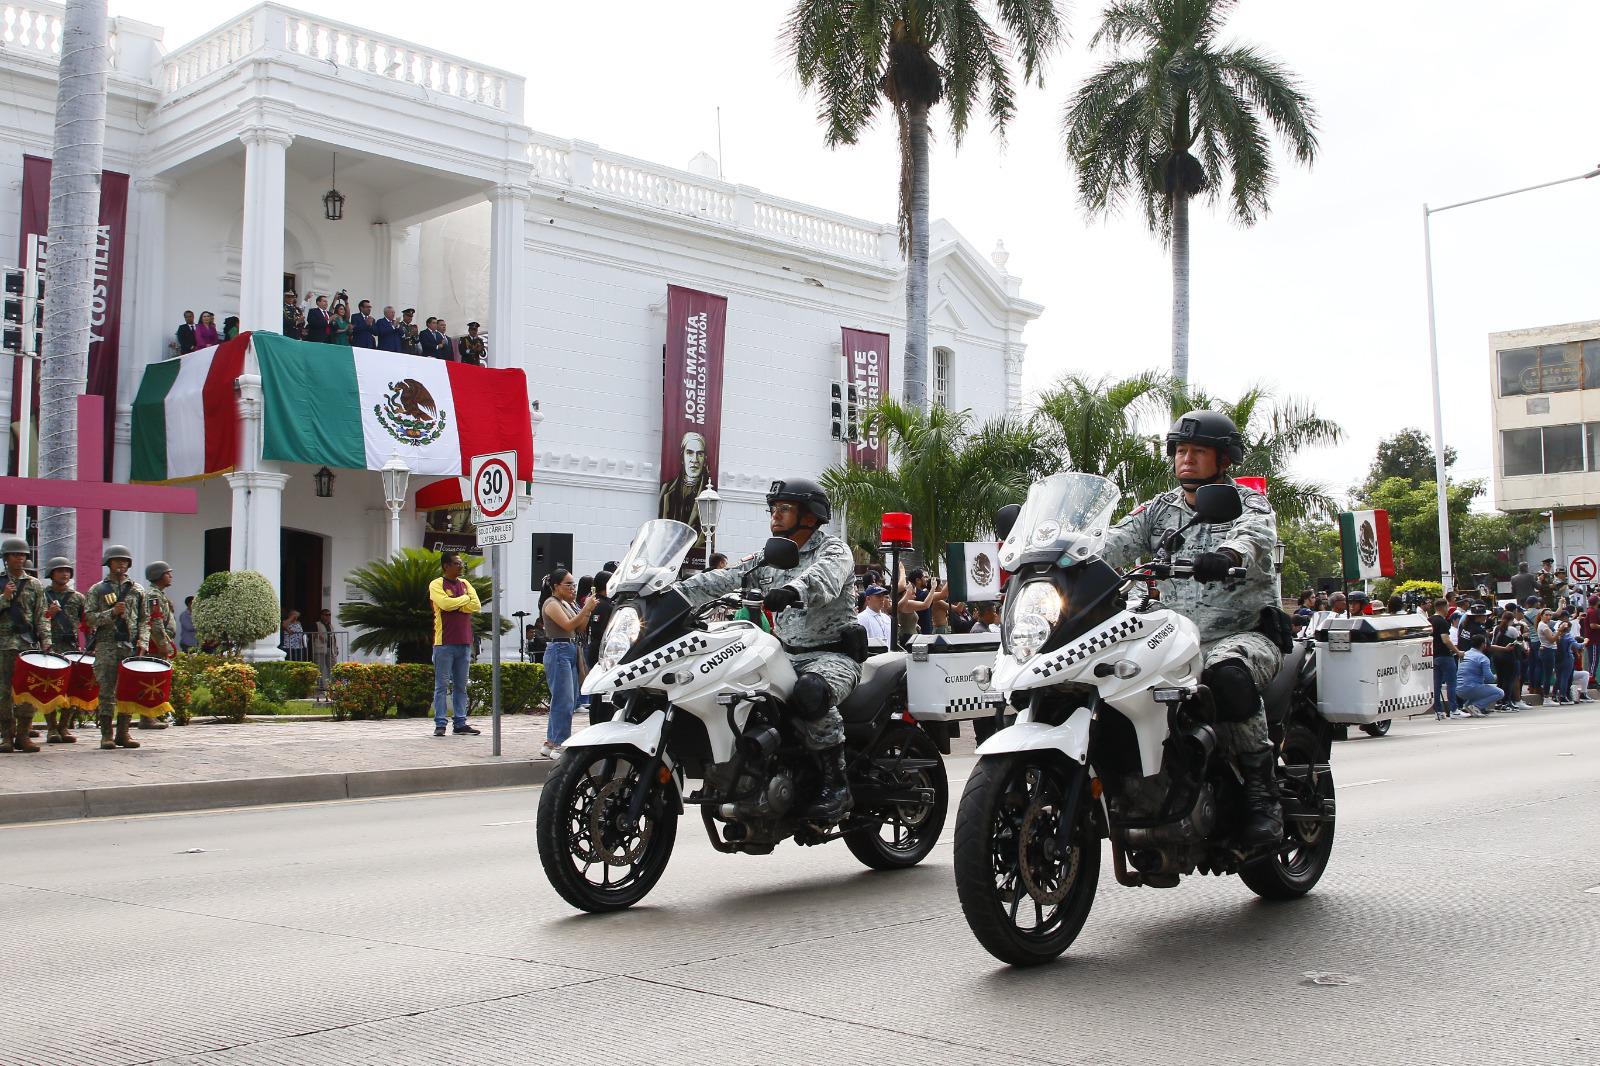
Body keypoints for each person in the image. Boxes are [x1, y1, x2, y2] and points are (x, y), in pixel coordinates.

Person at [1103, 410, 1284, 845]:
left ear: (1223, 459)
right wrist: (1065, 559)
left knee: (1227, 674)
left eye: (1197, 451)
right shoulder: (1159, 510)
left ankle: (1263, 795)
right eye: (1181, 450)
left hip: (1244, 634)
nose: (1186, 459)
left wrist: (1227, 555)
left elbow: (1254, 536)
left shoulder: (1247, 503)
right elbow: (1114, 541)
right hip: (1175, 640)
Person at [678, 477, 859, 820]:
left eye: (784, 509)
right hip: (784, 654)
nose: (775, 515)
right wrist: (673, 593)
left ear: (810, 515)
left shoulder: (833, 550)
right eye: (773, 509)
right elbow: (727, 577)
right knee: (730, 688)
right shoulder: (771, 555)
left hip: (832, 655)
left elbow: (823, 579)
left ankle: (837, 785)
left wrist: (792, 591)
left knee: (809, 693)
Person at [85, 545, 149, 750]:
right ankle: (106, 735)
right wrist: (111, 613)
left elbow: (144, 619)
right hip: (107, 644)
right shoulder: (97, 590)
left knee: (128, 690)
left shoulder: (137, 590)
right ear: (109, 563)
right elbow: (89, 618)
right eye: (117, 560)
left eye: (125, 560)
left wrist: (143, 641)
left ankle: (124, 732)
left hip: (130, 646)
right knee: (107, 690)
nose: (122, 564)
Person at [540, 568, 595, 760]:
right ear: (556, 586)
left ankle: (550, 742)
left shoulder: (567, 603)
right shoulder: (551, 603)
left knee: (568, 698)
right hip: (559, 650)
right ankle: (559, 743)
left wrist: (587, 610)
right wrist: (586, 608)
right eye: (568, 584)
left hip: (570, 649)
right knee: (564, 700)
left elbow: (580, 627)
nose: (573, 588)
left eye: (574, 584)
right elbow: (568, 625)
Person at [0, 538, 49, 753]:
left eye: (23, 555)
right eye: (15, 555)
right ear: (6, 558)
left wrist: (46, 640)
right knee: (4, 693)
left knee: (29, 691)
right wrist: (4, 598)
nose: (20, 558)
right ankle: (7, 736)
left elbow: (42, 615)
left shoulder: (34, 584)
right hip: (3, 645)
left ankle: (23, 735)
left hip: (27, 644)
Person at [427, 553, 480, 736]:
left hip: (465, 642)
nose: (461, 566)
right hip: (444, 643)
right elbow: (444, 604)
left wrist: (457, 603)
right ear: (446, 566)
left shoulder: (465, 584)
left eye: (461, 563)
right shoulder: (436, 584)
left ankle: (460, 723)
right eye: (457, 563)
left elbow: (476, 605)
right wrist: (464, 600)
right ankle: (440, 723)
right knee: (441, 685)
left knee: (460, 686)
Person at [42, 556, 85, 742]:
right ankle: (51, 728)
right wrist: (48, 614)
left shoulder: (78, 597)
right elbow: (34, 619)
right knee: (49, 688)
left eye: (67, 571)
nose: (64, 574)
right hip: (50, 646)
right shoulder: (42, 595)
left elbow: (87, 623)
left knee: (72, 688)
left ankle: (64, 726)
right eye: (60, 571)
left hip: (71, 646)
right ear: (52, 573)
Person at [141, 561, 178, 730]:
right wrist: (163, 644)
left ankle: (151, 716)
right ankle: (148, 717)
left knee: (156, 681)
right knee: (151, 681)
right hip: (155, 645)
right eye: (167, 573)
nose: (171, 576)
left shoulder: (160, 595)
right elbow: (155, 622)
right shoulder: (153, 596)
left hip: (160, 642)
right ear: (158, 575)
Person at [658, 431, 709, 525]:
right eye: (690, 453)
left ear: (705, 459)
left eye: (699, 454)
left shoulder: (710, 493)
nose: (694, 460)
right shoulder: (666, 489)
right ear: (682, 457)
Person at [584, 571, 616, 724]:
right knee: (603, 691)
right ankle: (601, 722)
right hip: (601, 651)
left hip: (593, 648)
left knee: (596, 691)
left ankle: (595, 721)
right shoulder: (606, 606)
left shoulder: (594, 603)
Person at [1455, 634, 1505, 716]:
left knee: (1479, 687)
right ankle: (1476, 706)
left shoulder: (1464, 654)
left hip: (1459, 689)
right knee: (1500, 693)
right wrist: (1497, 676)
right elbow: (1490, 679)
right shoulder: (1483, 658)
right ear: (1483, 645)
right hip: (1471, 688)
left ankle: (1467, 706)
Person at [1429, 598, 1459, 721]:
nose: (1448, 610)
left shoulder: (1429, 620)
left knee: (1436, 685)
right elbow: (1445, 639)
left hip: (1433, 655)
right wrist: (1457, 651)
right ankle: (1453, 710)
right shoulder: (1442, 622)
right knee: (1451, 683)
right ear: (1442, 607)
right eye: (1447, 607)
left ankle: (1439, 711)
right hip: (1445, 655)